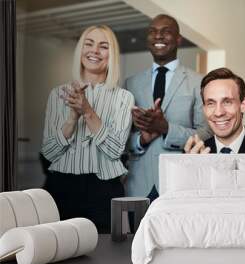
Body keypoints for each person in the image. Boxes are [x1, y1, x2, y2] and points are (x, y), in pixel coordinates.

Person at [42, 25, 134, 233]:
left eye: (103, 46)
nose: (94, 51)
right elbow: (48, 152)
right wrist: (72, 120)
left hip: (104, 190)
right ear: (80, 50)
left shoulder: (123, 98)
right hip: (61, 187)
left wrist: (87, 111)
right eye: (89, 44)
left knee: (106, 256)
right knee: (59, 252)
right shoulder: (57, 94)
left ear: (112, 56)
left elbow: (114, 150)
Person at [125, 14, 211, 201]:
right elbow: (121, 140)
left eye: (166, 31)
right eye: (152, 31)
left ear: (178, 39)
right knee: (133, 231)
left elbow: (206, 133)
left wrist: (165, 128)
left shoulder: (199, 82)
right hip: (137, 185)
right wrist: (142, 140)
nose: (158, 36)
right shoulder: (131, 83)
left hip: (181, 183)